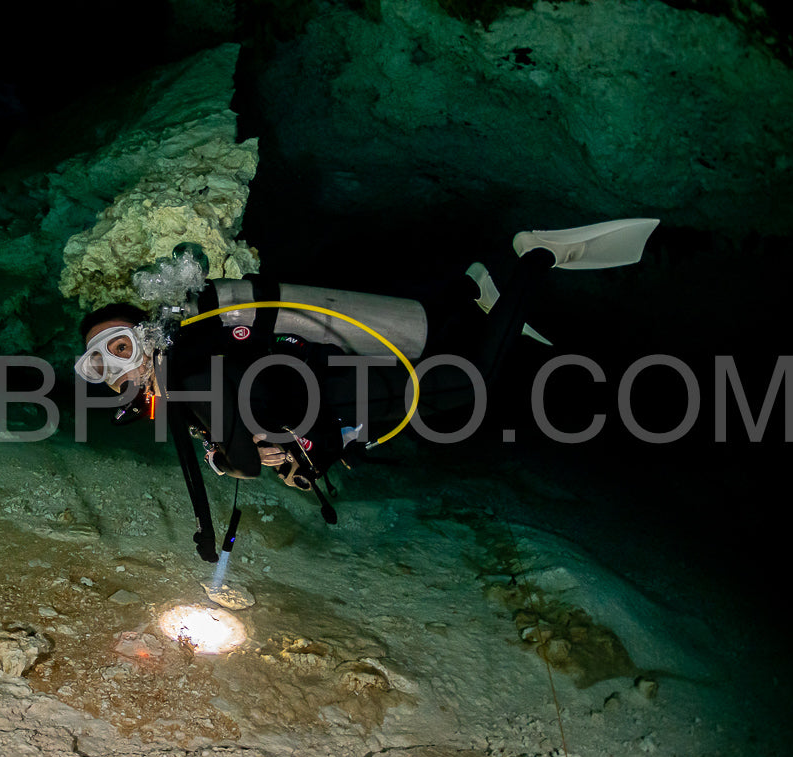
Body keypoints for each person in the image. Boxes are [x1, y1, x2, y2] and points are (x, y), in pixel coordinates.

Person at [76, 219, 659, 558]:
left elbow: (244, 451)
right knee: (450, 370)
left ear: (146, 337)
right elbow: (247, 425)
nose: (114, 368)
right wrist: (266, 451)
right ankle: (468, 292)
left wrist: (241, 458)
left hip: (350, 388)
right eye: (98, 364)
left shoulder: (188, 367)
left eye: (119, 347)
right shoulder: (182, 381)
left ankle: (537, 256)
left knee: (472, 383)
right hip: (338, 395)